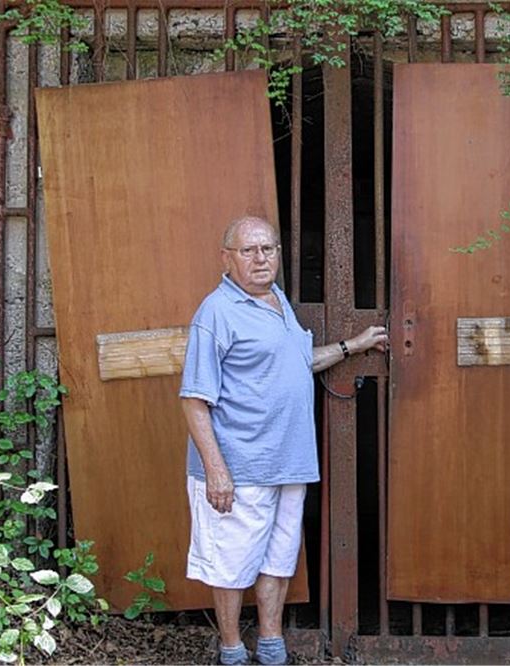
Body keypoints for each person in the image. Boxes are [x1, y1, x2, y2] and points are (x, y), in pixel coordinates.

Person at [179, 216, 388, 665]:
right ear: (226, 258)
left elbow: (296, 363)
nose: (260, 259)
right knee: (231, 564)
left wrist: (352, 346)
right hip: (239, 466)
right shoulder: (216, 312)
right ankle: (232, 649)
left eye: (268, 249)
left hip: (288, 462)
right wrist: (216, 470)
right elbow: (195, 399)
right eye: (249, 251)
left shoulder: (277, 301)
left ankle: (271, 644)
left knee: (277, 557)